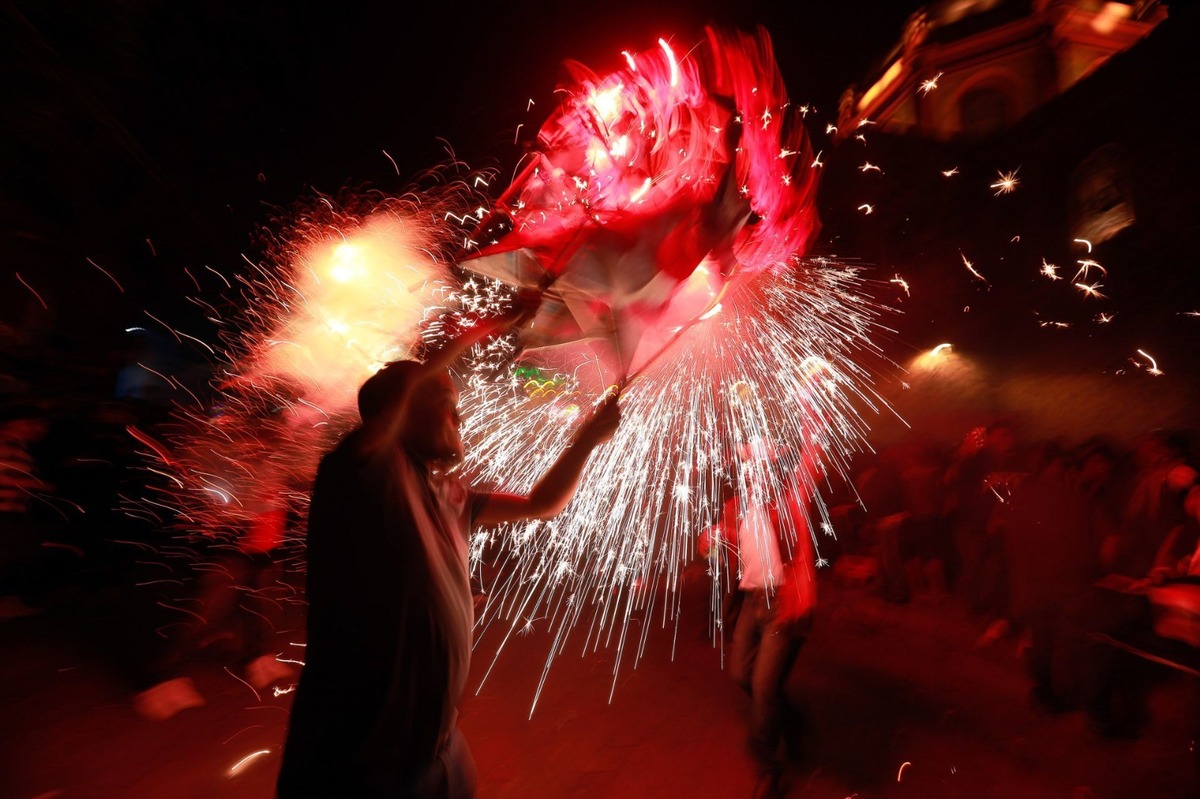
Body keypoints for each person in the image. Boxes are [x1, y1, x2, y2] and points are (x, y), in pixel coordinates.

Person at [276, 296, 621, 799]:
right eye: (442, 398)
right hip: (359, 761)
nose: (458, 412)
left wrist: (586, 440)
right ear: (399, 411)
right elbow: (407, 391)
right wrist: (490, 326)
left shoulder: (453, 496)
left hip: (438, 750)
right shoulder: (361, 474)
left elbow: (543, 504)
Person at [723, 450, 818, 799]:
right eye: (748, 466)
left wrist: (812, 404)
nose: (752, 472)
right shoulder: (736, 506)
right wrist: (713, 543)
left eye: (760, 465)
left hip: (781, 603)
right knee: (740, 675)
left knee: (764, 687)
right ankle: (790, 719)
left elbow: (811, 457)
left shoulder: (790, 497)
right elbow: (734, 546)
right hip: (751, 602)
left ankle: (767, 767)